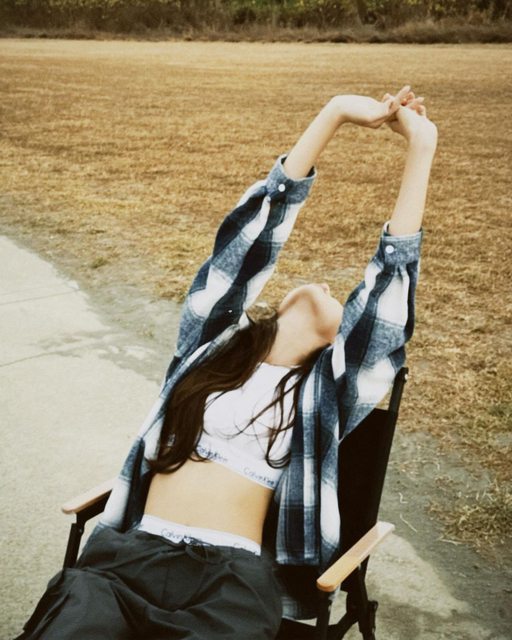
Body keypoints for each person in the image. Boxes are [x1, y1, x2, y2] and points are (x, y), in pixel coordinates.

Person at [16, 84, 437, 640]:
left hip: (231, 583)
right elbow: (246, 242)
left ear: (340, 338)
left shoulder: (323, 395)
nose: (322, 285)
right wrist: (333, 112)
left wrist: (421, 148)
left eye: (339, 298)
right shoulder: (210, 349)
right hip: (127, 561)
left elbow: (385, 303)